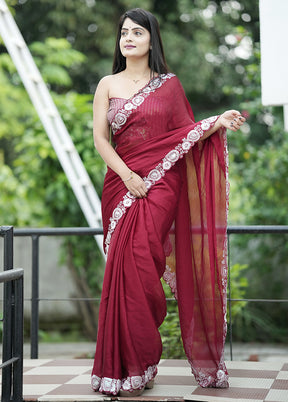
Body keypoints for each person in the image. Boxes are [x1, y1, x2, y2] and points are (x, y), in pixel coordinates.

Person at [91, 8, 245, 397]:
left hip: (160, 184)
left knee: (143, 265)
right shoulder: (107, 83)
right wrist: (128, 176)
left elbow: (185, 134)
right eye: (123, 32)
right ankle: (126, 370)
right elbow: (100, 141)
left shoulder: (169, 86)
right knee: (122, 271)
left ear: (151, 40)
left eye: (136, 32)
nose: (128, 38)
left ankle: (140, 363)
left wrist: (218, 121)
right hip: (120, 185)